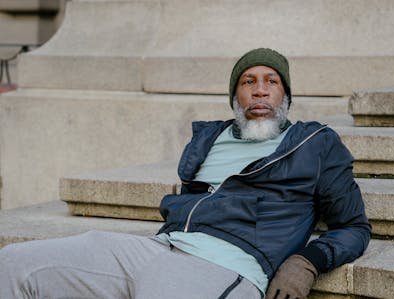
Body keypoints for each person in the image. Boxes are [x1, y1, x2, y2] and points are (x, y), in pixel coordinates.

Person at [0, 48, 371, 299]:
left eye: (271, 82)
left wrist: (307, 261)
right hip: (157, 247)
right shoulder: (210, 139)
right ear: (235, 97)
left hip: (224, 266)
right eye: (248, 82)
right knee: (14, 265)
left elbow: (353, 226)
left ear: (285, 96)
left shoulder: (315, 143)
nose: (260, 91)